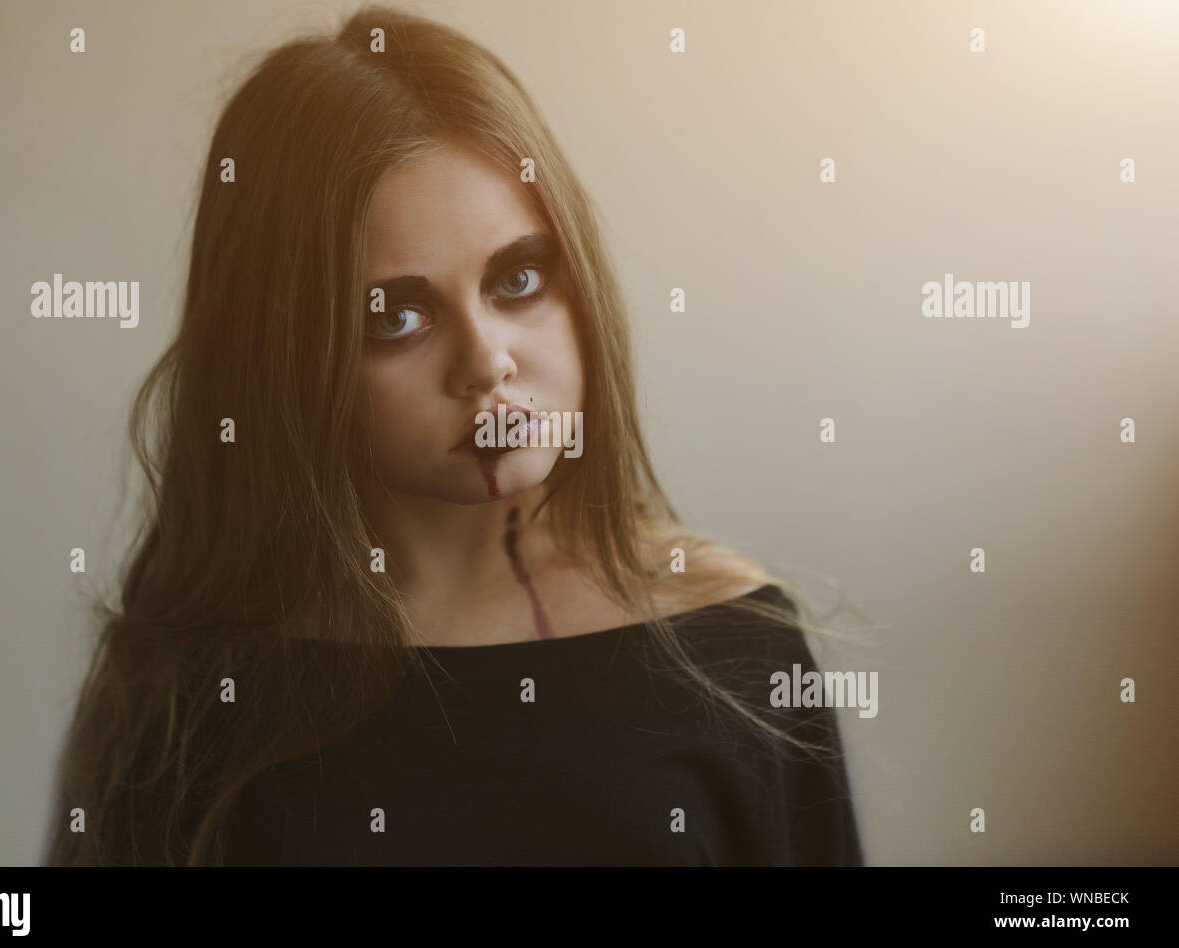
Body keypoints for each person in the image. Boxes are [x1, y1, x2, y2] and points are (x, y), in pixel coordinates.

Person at [44, 3, 862, 866]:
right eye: (396, 315)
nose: (486, 363)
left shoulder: (735, 644)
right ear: (282, 354)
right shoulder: (194, 687)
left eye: (518, 278)